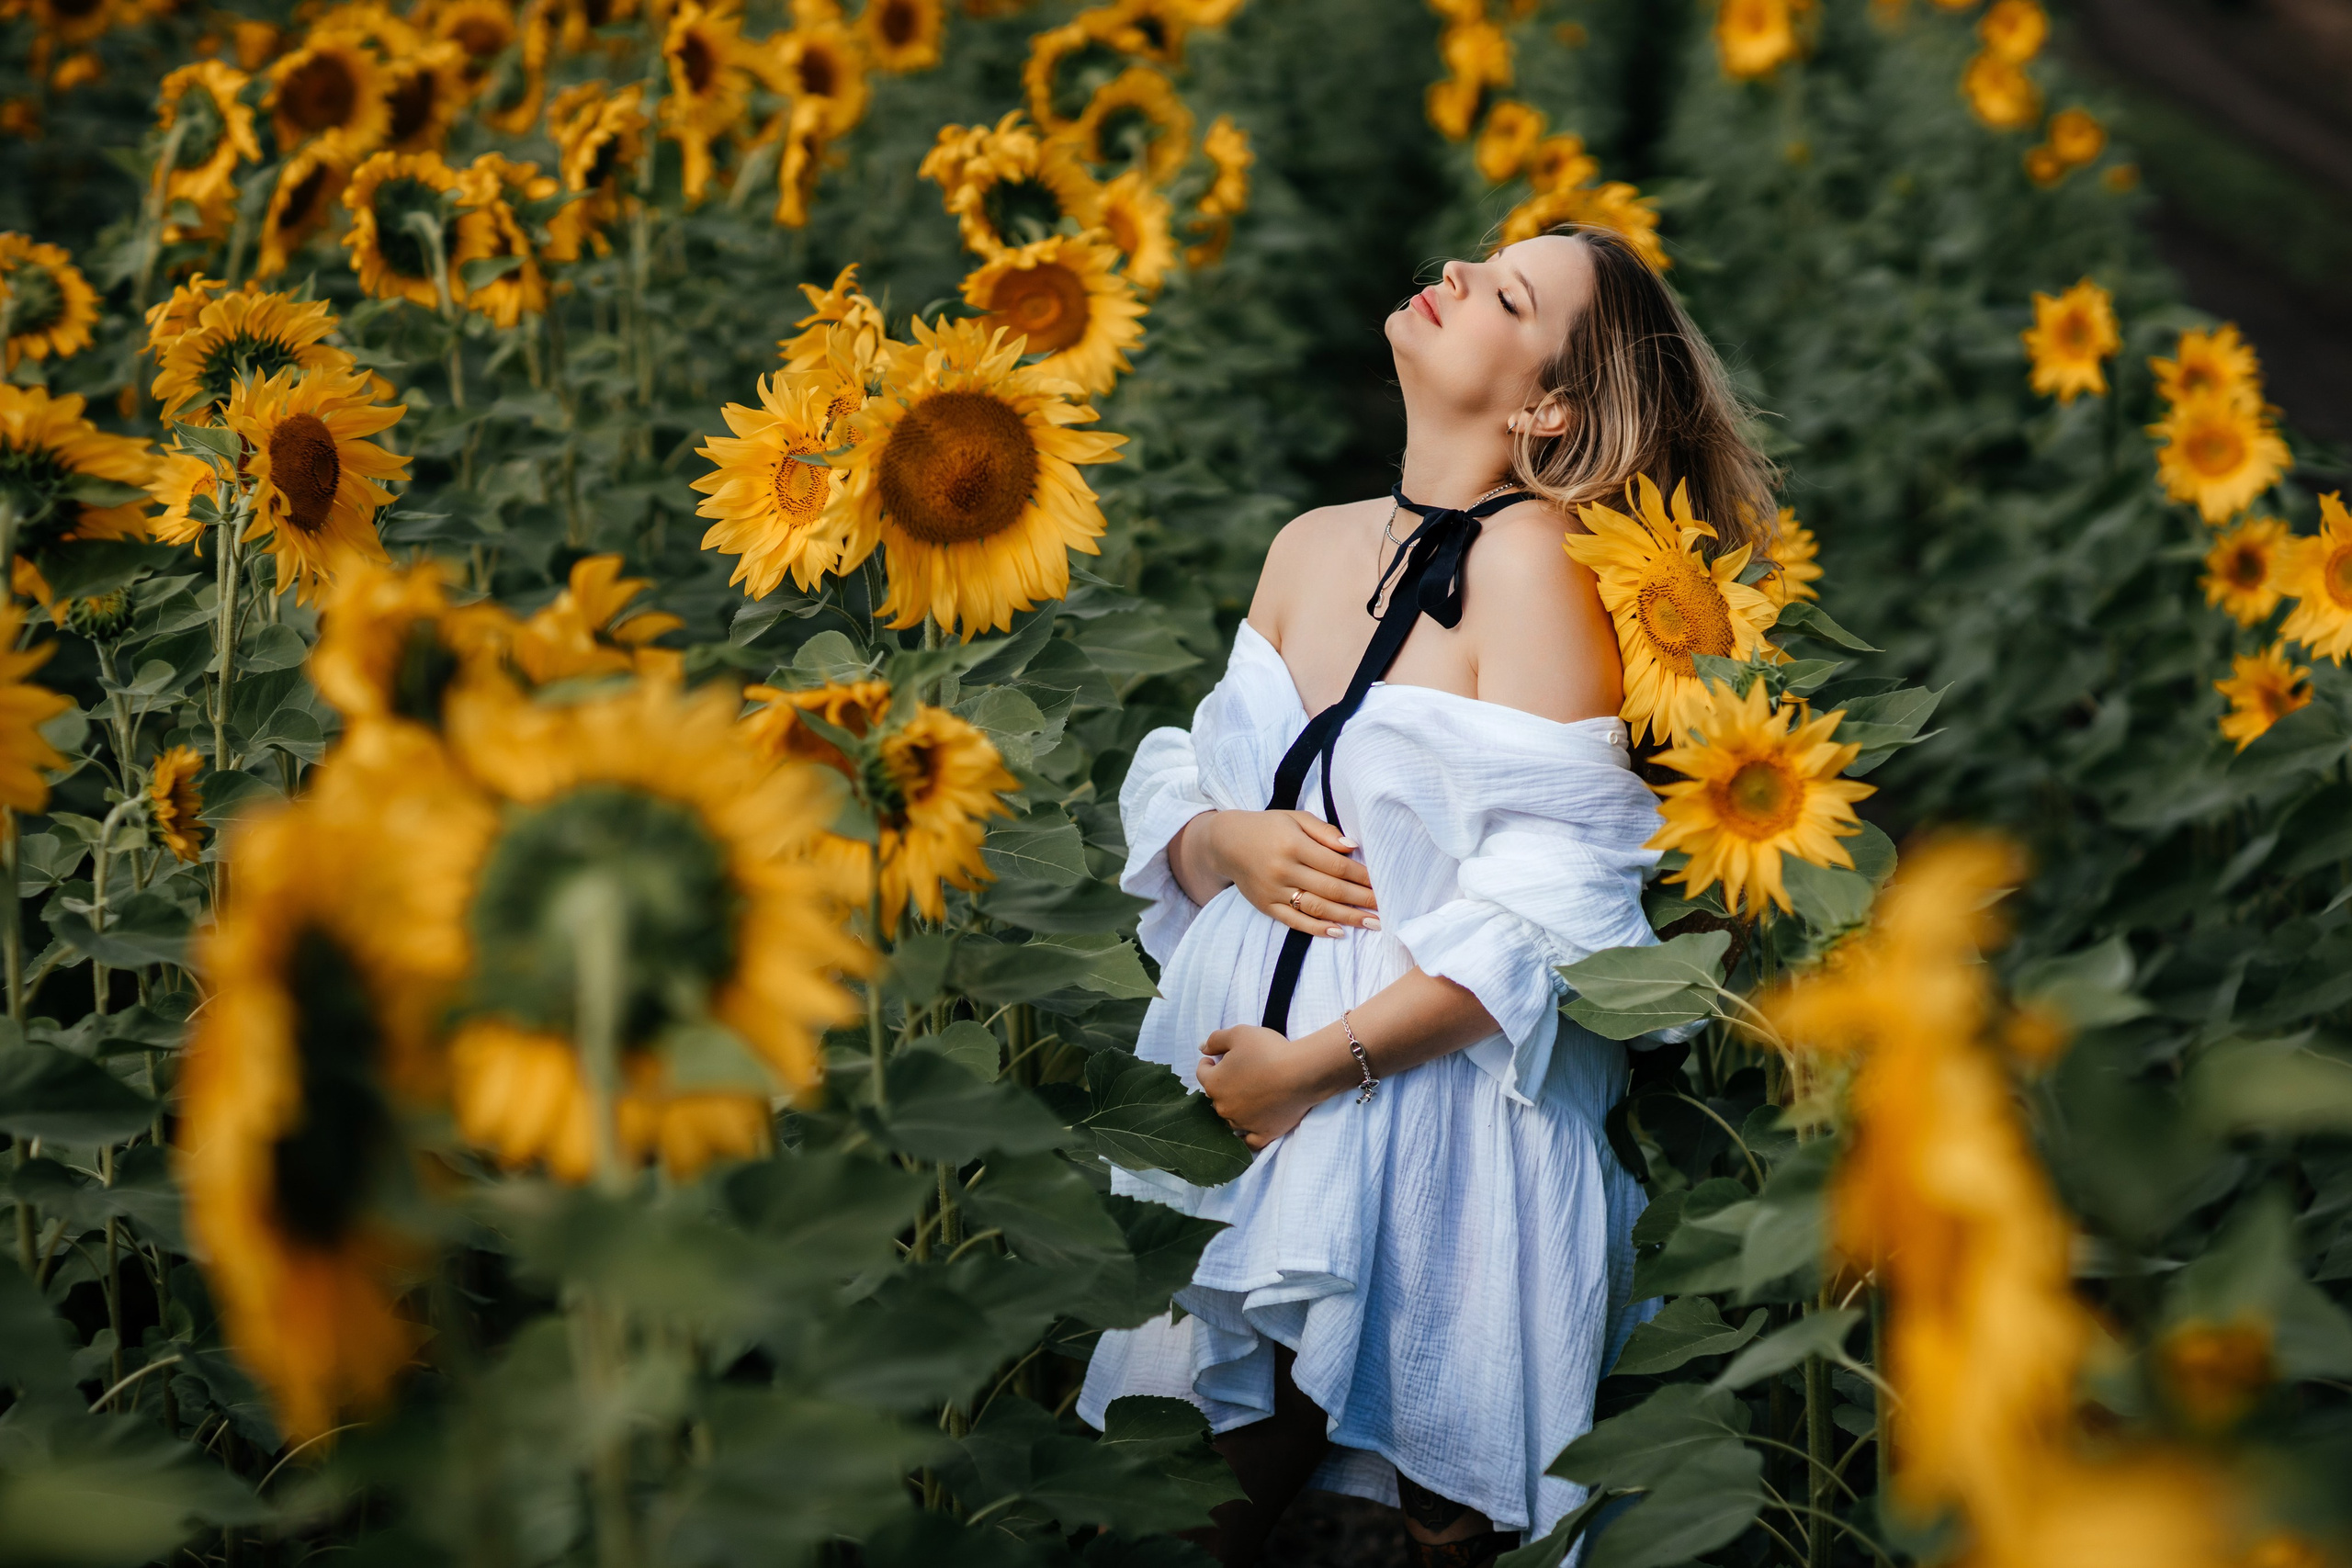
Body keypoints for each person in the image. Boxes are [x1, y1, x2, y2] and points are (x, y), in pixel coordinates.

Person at [1074, 224, 1780, 1568]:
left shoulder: (1534, 567)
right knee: (1151, 1508)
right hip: (1239, 1101)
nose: (1455, 274)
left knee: (1294, 1530)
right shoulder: (1311, 544)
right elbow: (1187, 791)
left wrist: (1312, 1071)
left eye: (1508, 294)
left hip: (1415, 1120)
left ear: (1548, 407)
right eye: (1480, 260)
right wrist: (1230, 843)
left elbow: (1554, 912)